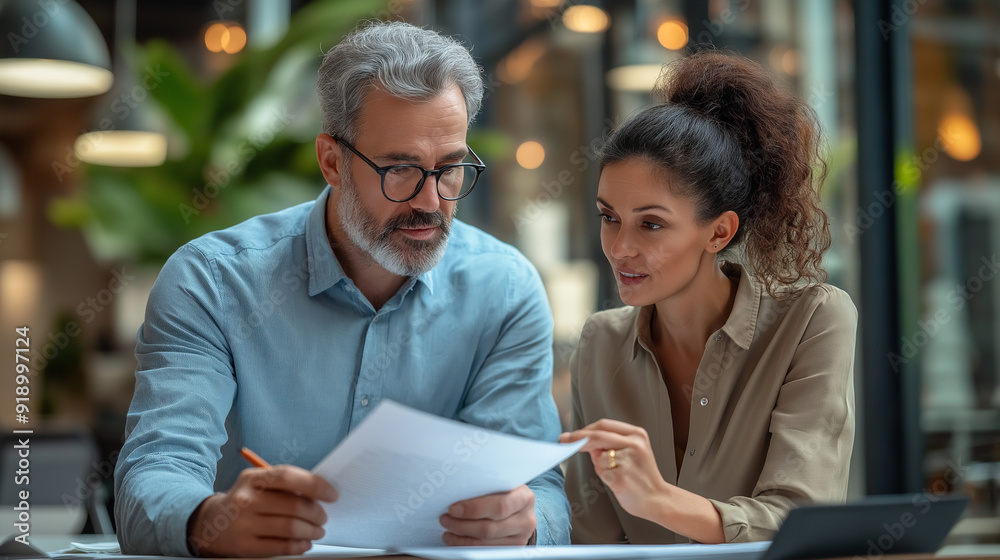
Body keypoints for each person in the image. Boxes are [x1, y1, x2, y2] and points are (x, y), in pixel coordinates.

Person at [114, 21, 569, 557]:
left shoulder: (504, 289)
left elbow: (543, 492)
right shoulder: (212, 282)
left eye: (449, 169)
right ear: (332, 161)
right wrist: (208, 519)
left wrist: (525, 521)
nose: (430, 201)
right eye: (399, 169)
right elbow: (155, 471)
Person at [559, 51, 858, 544]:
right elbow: (593, 539)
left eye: (651, 224)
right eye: (608, 216)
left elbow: (800, 519)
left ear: (719, 232)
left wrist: (657, 500)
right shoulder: (600, 342)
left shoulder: (814, 320)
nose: (620, 248)